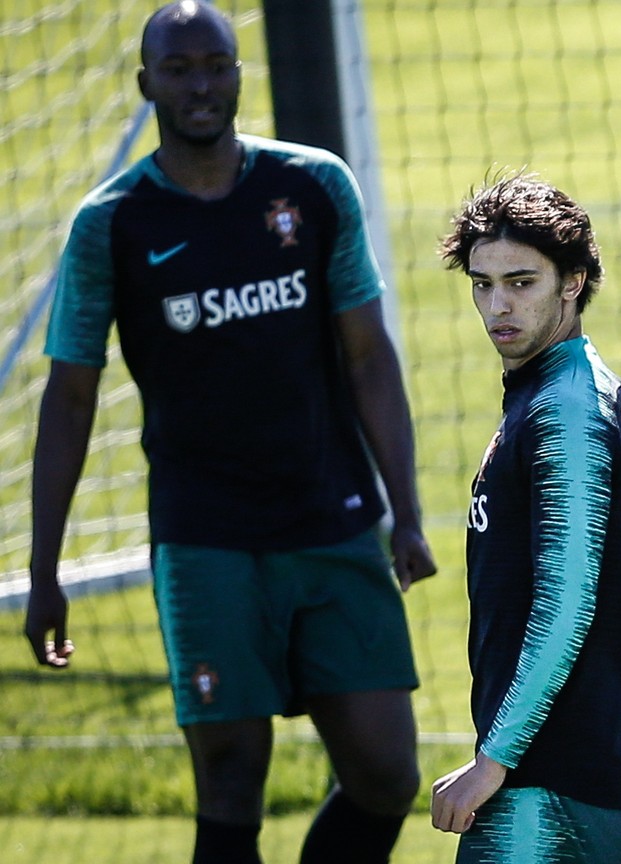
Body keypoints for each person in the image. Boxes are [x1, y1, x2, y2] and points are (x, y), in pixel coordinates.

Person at [24, 3, 436, 862]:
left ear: (240, 73)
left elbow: (368, 357)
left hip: (333, 521)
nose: (201, 83)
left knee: (387, 772)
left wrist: (407, 511)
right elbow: (68, 401)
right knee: (231, 775)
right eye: (178, 69)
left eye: (217, 63)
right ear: (147, 85)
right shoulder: (112, 225)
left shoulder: (314, 187)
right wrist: (44, 569)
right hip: (207, 537)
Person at [429, 172, 621, 863]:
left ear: (573, 281)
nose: (497, 306)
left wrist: (493, 762)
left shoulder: (563, 412)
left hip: (546, 798)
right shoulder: (575, 389)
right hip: (617, 791)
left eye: (522, 283)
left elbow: (566, 602)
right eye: (482, 284)